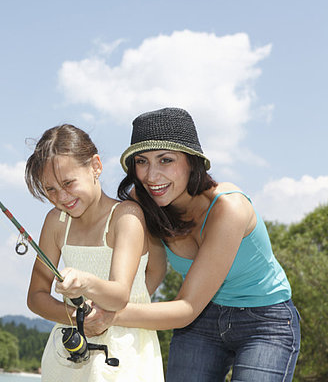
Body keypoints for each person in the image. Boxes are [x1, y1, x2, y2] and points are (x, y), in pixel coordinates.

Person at [84, 108, 300, 381]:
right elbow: (152, 270)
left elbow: (186, 307)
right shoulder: (144, 200)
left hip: (265, 321)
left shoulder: (228, 208)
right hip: (201, 322)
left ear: (192, 161)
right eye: (142, 161)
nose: (152, 176)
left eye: (165, 160)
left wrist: (113, 316)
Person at [24, 124, 164, 382]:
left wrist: (85, 282)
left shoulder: (126, 216)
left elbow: (119, 296)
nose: (62, 196)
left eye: (68, 183)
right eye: (50, 189)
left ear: (95, 166)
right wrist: (76, 318)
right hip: (69, 355)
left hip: (127, 353)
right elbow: (35, 296)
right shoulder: (56, 222)